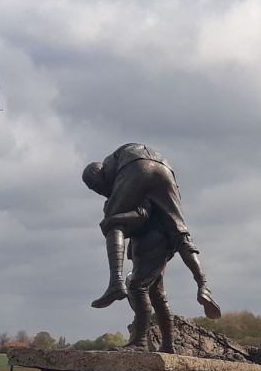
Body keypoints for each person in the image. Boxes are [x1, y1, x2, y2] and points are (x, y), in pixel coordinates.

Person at [82, 143, 221, 352]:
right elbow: (147, 213)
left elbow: (138, 216)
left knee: (135, 284)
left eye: (95, 186)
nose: (98, 191)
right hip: (165, 169)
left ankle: (118, 289)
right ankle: (202, 287)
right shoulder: (142, 194)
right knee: (180, 234)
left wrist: (114, 219)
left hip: (137, 170)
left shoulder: (117, 172)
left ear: (98, 176)